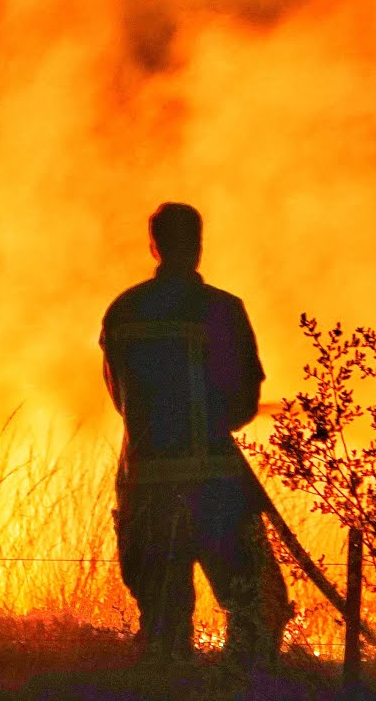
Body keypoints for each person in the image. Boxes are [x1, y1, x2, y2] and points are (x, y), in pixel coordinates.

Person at [99, 202, 292, 669]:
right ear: (199, 246)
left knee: (164, 633)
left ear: (154, 245)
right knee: (256, 610)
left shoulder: (123, 312)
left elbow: (119, 396)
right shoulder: (222, 310)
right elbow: (243, 399)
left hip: (144, 490)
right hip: (216, 489)